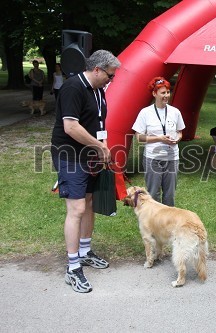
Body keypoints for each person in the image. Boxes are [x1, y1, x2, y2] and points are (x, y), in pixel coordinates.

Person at [51, 50, 121, 293]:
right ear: (98, 69)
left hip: (91, 156)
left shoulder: (99, 90)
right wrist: (99, 146)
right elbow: (70, 127)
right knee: (77, 208)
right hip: (70, 155)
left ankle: (84, 251)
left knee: (89, 204)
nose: (111, 80)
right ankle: (72, 268)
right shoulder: (73, 87)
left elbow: (98, 124)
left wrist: (101, 147)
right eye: (110, 75)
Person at [132, 77, 185, 207]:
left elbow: (180, 131)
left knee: (169, 194)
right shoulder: (145, 113)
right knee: (153, 193)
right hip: (152, 158)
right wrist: (159, 138)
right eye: (163, 93)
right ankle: (153, 221)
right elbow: (139, 137)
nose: (166, 95)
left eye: (167, 92)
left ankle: (168, 220)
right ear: (154, 93)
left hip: (172, 158)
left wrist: (178, 138)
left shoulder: (175, 112)